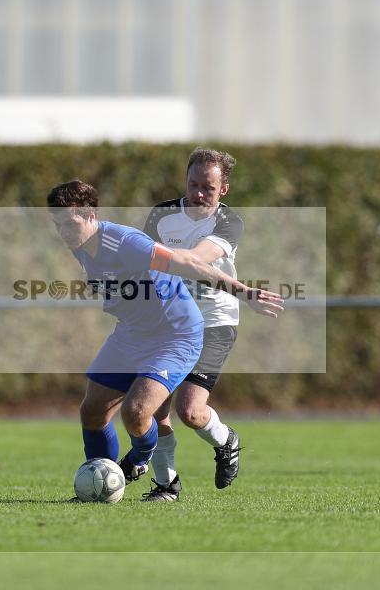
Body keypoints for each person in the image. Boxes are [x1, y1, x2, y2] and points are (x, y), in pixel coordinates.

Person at [46, 180, 283, 497]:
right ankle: (100, 486)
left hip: (175, 334)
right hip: (131, 333)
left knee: (137, 412)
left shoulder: (127, 242)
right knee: (92, 410)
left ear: (90, 215)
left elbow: (190, 263)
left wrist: (245, 292)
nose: (63, 231)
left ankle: (140, 459)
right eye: (57, 224)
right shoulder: (80, 245)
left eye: (69, 223)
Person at [140, 147, 249, 502]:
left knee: (190, 411)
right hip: (169, 321)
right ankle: (166, 483)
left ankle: (226, 441)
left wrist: (160, 260)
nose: (199, 194)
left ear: (224, 190)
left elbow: (198, 260)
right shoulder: (162, 215)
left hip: (214, 321)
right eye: (193, 185)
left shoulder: (228, 222)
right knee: (154, 406)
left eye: (209, 188)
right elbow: (144, 264)